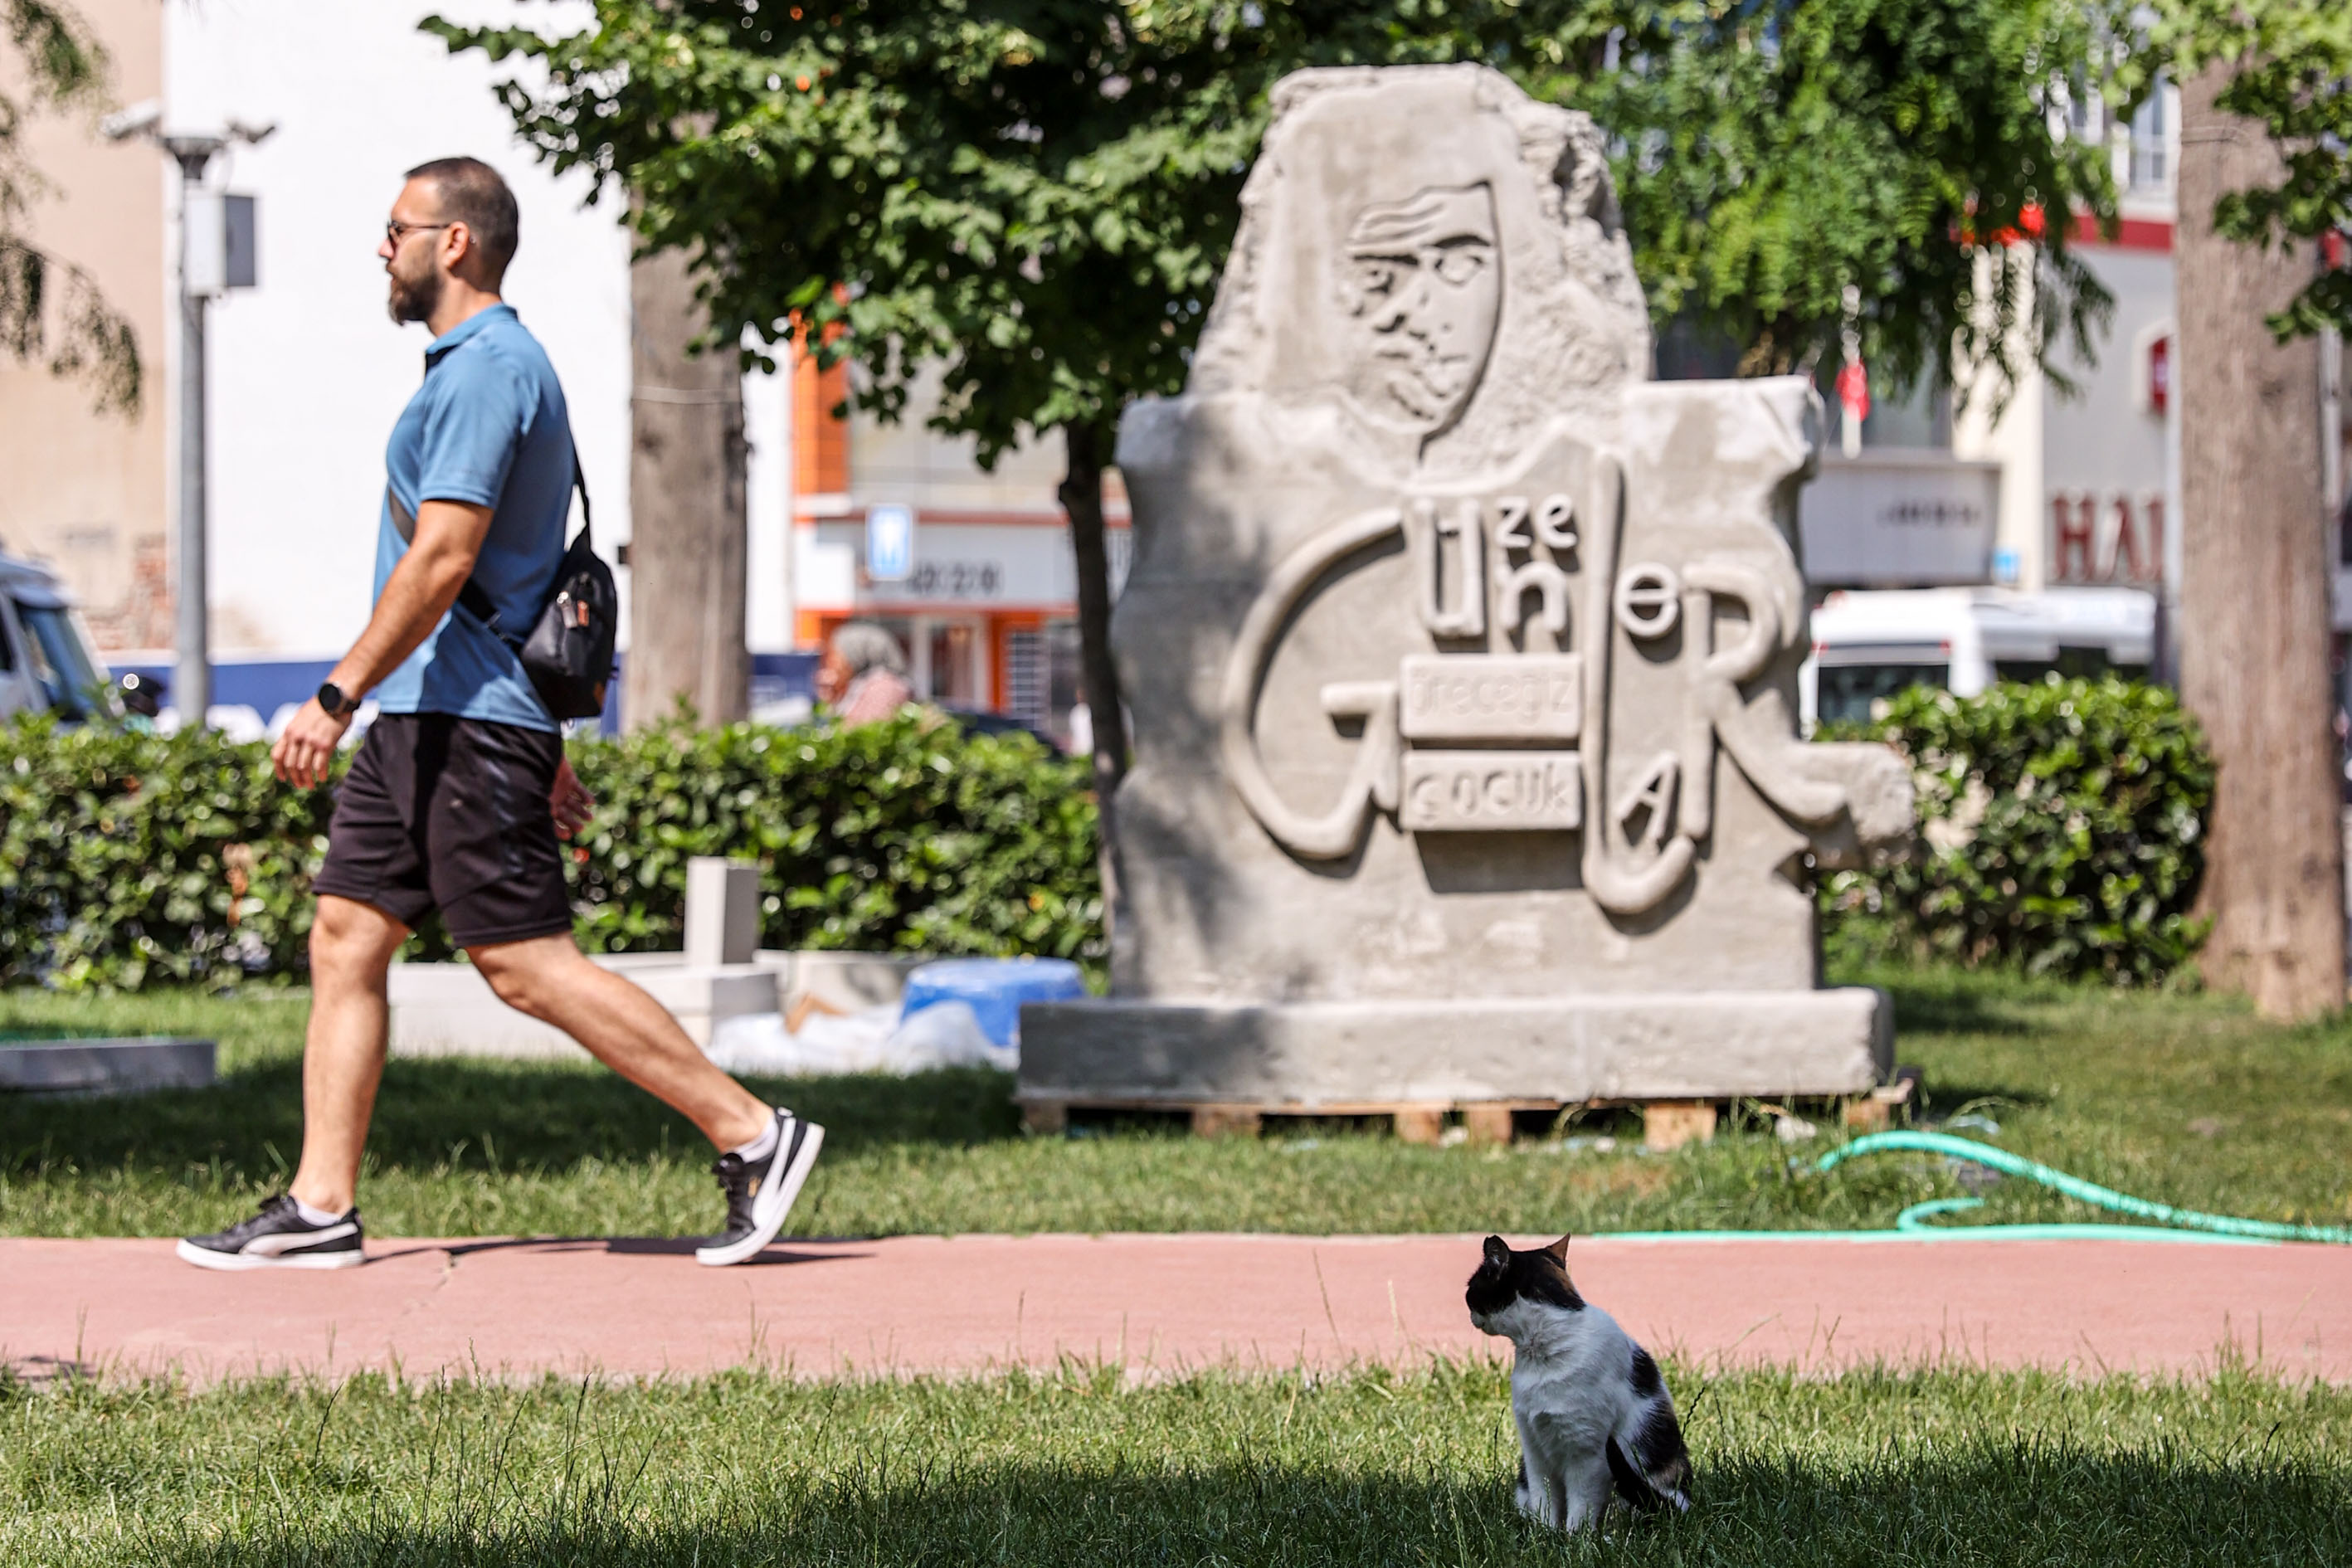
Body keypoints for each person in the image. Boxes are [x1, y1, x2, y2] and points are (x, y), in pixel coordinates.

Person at [177, 158, 821, 1273]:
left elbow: (446, 557)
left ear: (455, 243)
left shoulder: (486, 369)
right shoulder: (473, 369)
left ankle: (754, 1133)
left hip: (458, 715)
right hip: (434, 716)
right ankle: (321, 1201)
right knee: (346, 935)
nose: (383, 248)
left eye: (395, 229)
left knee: (523, 962)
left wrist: (337, 693)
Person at [817, 621, 916, 727]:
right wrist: (833, 696)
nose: (832, 663)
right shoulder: (862, 684)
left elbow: (865, 733)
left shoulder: (885, 689)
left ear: (856, 654)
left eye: (836, 656)